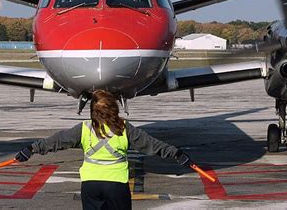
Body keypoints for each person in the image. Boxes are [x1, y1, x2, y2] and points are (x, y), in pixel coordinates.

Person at [15, 90, 192, 210]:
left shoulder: (84, 129)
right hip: (116, 186)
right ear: (114, 109)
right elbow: (152, 145)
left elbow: (58, 141)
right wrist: (177, 153)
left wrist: (31, 149)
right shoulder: (124, 128)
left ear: (92, 111)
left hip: (91, 186)